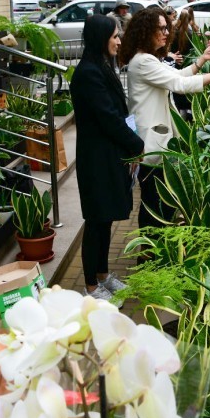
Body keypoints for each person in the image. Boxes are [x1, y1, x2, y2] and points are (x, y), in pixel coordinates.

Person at [119, 7, 210, 229]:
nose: (167, 33)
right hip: (152, 146)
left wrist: (201, 61)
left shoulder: (147, 58)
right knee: (155, 207)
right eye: (161, 28)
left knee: (159, 205)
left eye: (166, 28)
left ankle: (153, 247)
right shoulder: (144, 61)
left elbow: (175, 75)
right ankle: (150, 248)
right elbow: (180, 84)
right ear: (145, 31)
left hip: (155, 142)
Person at [71, 15, 145, 302]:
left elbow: (118, 114)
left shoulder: (101, 66)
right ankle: (90, 286)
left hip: (109, 155)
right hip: (96, 159)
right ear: (100, 38)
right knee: (96, 221)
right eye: (115, 36)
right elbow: (109, 118)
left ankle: (102, 275)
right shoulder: (88, 73)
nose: (119, 41)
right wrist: (136, 144)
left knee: (105, 220)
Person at [171, 7, 200, 117]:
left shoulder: (174, 32)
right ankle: (189, 112)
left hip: (176, 62)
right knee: (186, 87)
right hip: (188, 64)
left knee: (177, 88)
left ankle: (179, 110)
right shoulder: (191, 33)